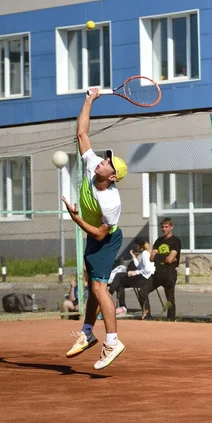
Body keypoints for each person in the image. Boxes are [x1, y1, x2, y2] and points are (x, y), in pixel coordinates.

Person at [61, 87, 128, 370]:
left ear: (111, 176)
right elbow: (82, 133)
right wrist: (89, 99)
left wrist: (75, 218)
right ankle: (88, 333)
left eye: (107, 163)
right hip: (92, 234)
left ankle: (112, 341)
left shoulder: (110, 200)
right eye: (105, 158)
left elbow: (101, 233)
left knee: (100, 288)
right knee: (92, 286)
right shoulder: (90, 164)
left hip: (106, 239)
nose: (102, 160)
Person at [139, 218, 181, 320]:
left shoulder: (175, 241)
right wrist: (164, 256)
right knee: (142, 292)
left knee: (170, 299)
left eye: (166, 227)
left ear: (171, 227)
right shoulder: (159, 241)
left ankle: (170, 319)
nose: (164, 229)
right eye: (162, 227)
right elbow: (151, 258)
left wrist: (159, 255)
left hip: (169, 273)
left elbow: (169, 260)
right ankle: (147, 315)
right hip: (158, 273)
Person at [109, 237, 155, 315]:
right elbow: (140, 267)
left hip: (144, 279)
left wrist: (135, 272)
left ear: (137, 246)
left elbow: (147, 269)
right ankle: (122, 306)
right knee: (120, 283)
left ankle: (109, 294)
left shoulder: (145, 253)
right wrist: (133, 257)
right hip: (144, 277)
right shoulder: (146, 252)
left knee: (118, 276)